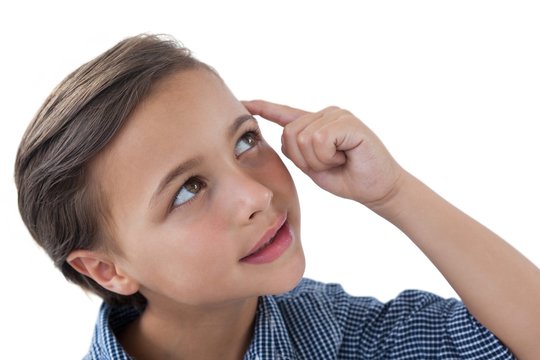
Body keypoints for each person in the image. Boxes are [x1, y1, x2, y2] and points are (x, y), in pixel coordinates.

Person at [14, 34, 539, 360]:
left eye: (244, 141)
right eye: (187, 190)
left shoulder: (343, 338)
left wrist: (395, 193)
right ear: (107, 270)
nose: (256, 193)